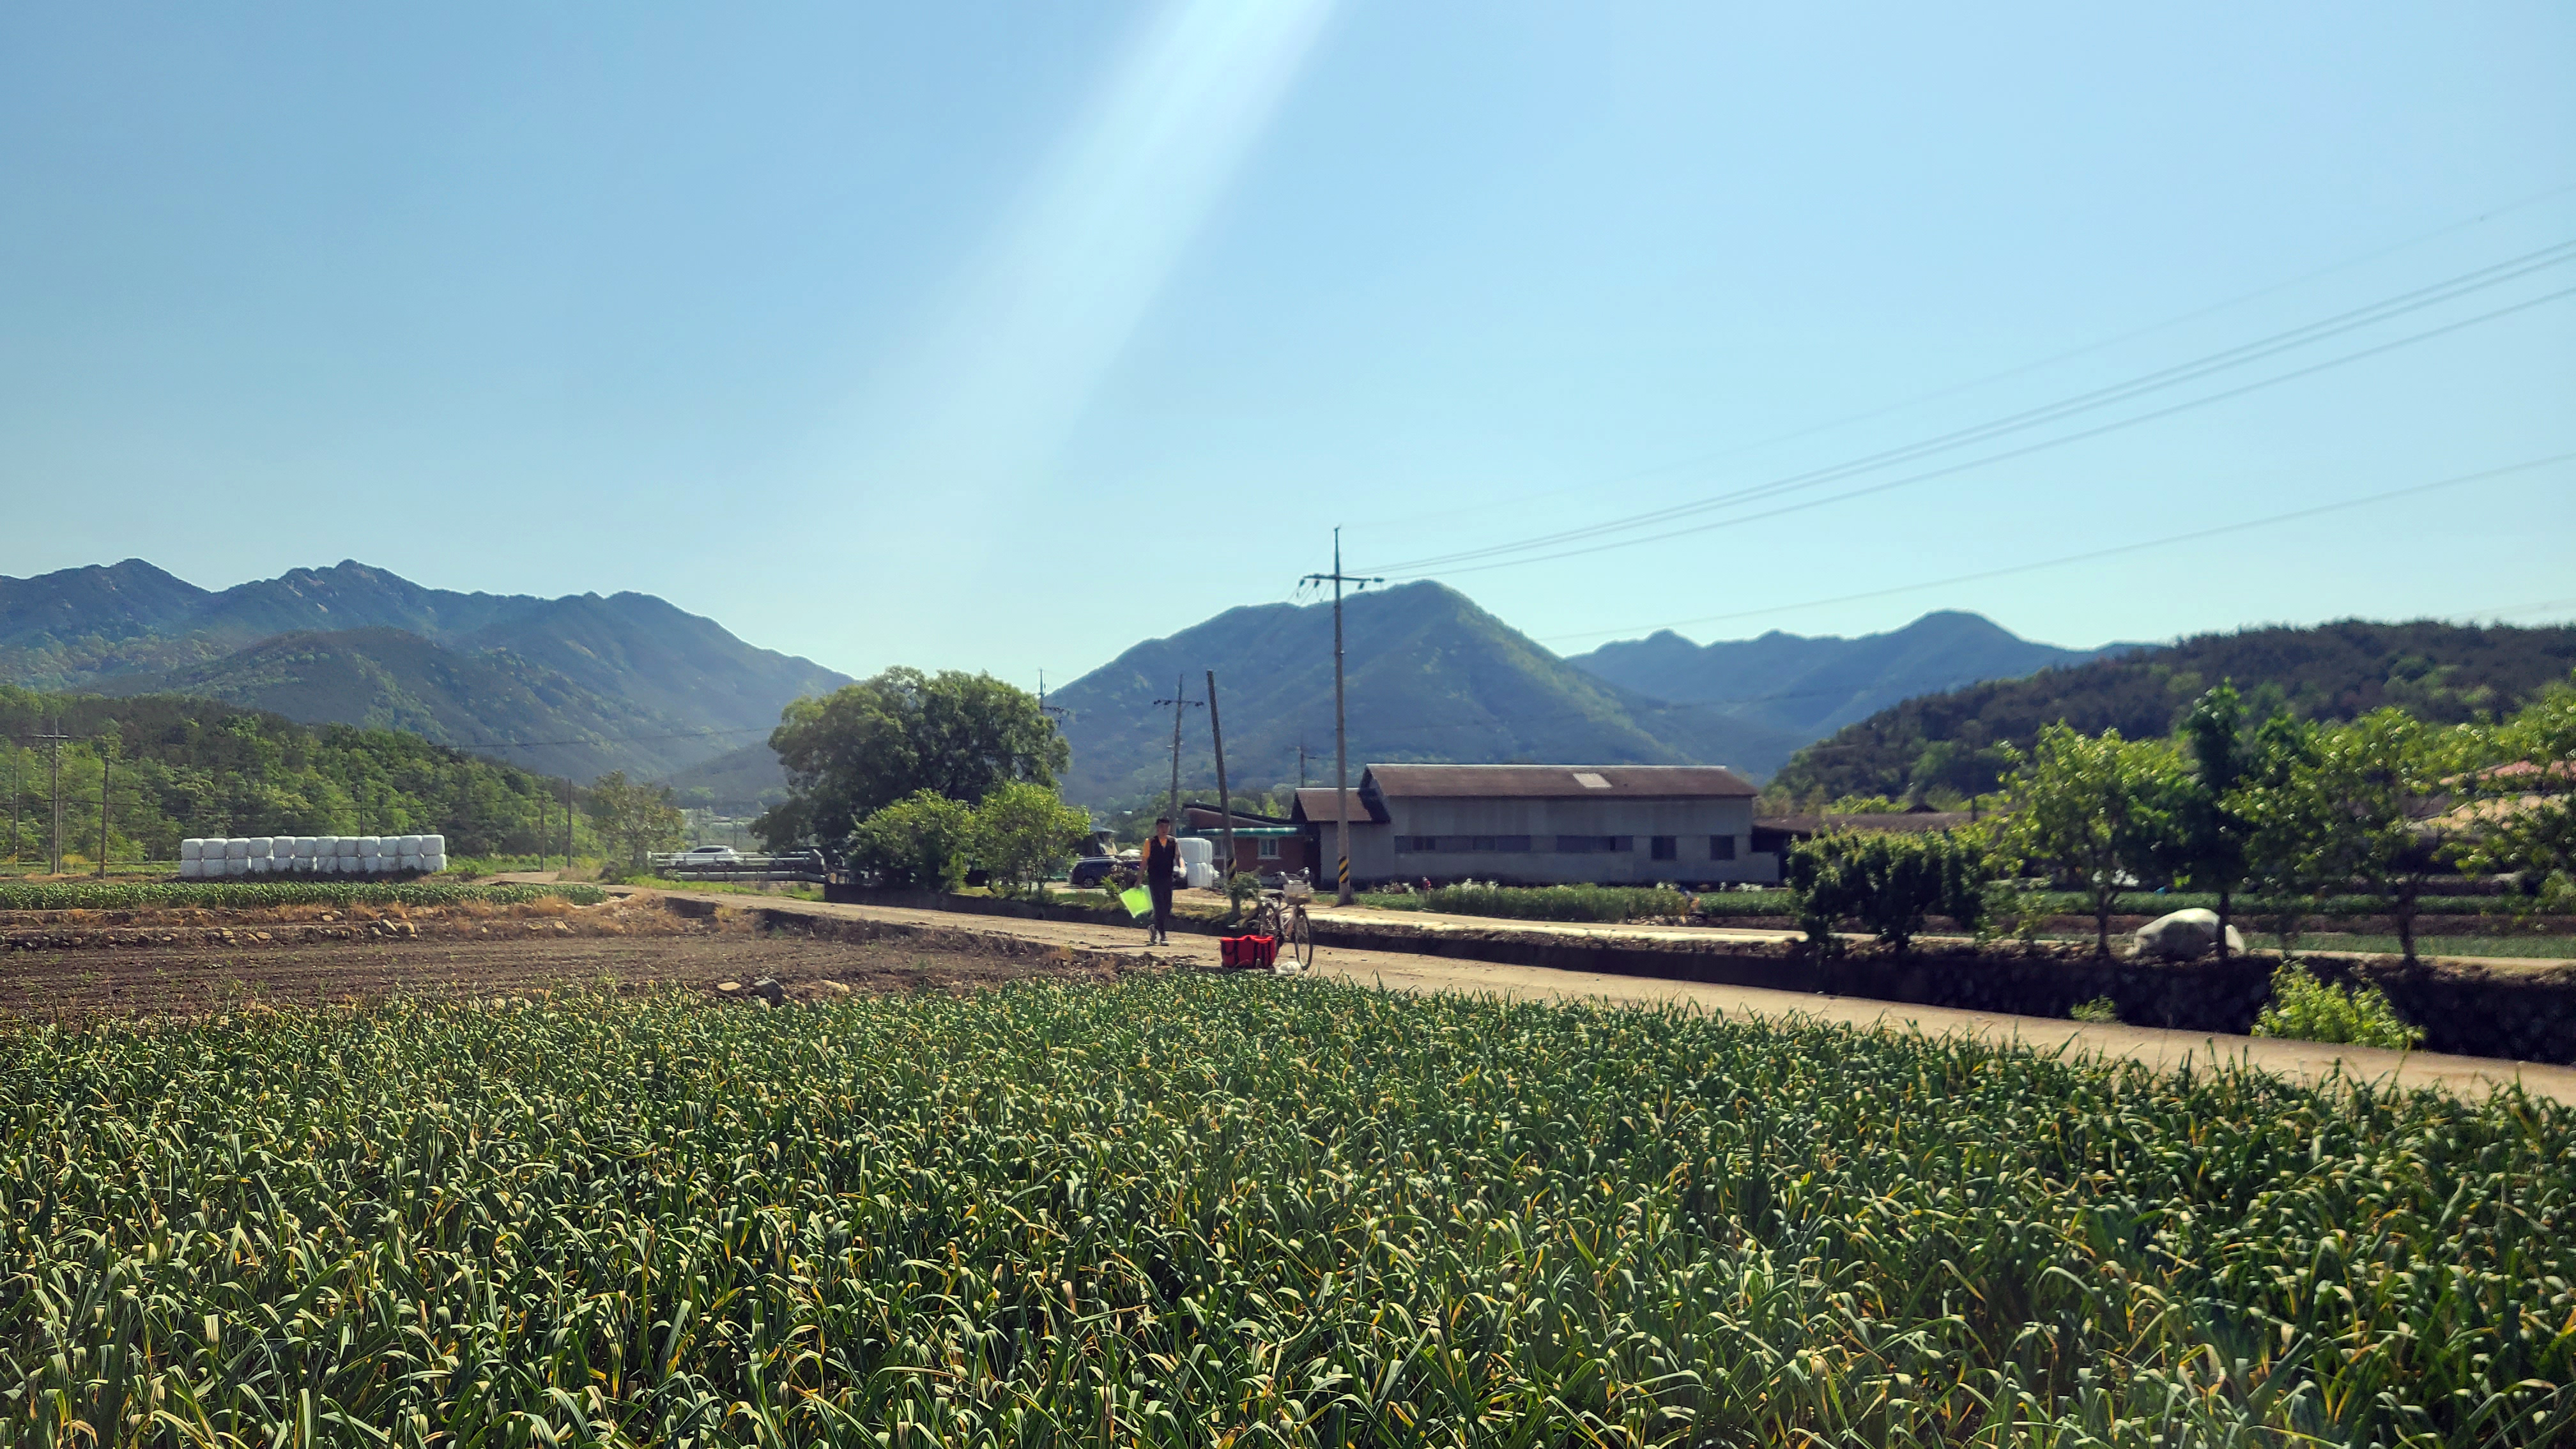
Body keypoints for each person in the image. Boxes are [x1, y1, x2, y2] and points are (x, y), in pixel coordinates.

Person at [1141, 817, 1180, 945]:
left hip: (1168, 877)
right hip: (1154, 878)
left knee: (1168, 906)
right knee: (1159, 906)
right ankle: (1163, 936)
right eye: (1162, 827)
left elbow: (1178, 857)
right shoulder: (1150, 842)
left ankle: (1154, 928)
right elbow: (1144, 861)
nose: (1164, 830)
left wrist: (1182, 868)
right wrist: (1139, 878)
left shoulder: (1173, 842)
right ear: (1157, 828)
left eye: (1167, 827)